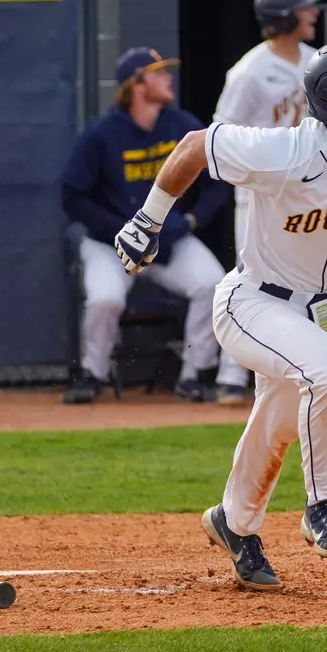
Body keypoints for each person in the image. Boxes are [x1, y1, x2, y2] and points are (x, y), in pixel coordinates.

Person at [109, 38, 327, 590]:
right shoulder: (284, 151)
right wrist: (147, 220)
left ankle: (234, 524)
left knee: (275, 426)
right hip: (255, 302)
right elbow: (194, 146)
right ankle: (323, 506)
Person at [60, 47, 236, 404]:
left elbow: (217, 185)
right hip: (110, 243)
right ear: (136, 84)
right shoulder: (102, 134)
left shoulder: (181, 125)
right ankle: (92, 373)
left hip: (167, 240)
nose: (168, 78)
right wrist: (121, 229)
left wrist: (191, 220)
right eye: (158, 73)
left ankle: (195, 373)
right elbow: (73, 197)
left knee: (213, 285)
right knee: (106, 299)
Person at [211, 0, 323, 403]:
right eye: (305, 8)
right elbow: (221, 133)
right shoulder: (249, 71)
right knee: (251, 280)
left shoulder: (316, 61)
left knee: (308, 280)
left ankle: (304, 370)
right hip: (260, 194)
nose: (313, 13)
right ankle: (230, 375)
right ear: (284, 17)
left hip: (307, 190)